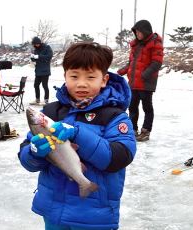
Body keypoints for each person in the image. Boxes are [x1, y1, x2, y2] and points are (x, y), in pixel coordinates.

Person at [18, 42, 137, 229]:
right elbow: (27, 160)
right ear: (65, 76)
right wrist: (33, 152)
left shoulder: (114, 116)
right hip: (53, 211)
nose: (81, 83)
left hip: (94, 216)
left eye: (90, 77)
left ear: (104, 80)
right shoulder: (51, 112)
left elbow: (119, 158)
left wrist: (78, 134)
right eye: (74, 76)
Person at [117, 19, 164, 142]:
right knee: (132, 106)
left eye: (139, 32)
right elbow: (131, 63)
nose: (137, 34)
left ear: (145, 31)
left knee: (147, 107)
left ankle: (146, 131)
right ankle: (133, 129)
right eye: (135, 32)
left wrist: (144, 75)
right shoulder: (136, 45)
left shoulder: (155, 43)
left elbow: (157, 62)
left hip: (146, 83)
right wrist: (121, 71)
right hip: (133, 82)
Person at [30, 36, 53, 105]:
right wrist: (32, 57)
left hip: (45, 70)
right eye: (34, 44)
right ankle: (37, 99)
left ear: (39, 43)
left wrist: (39, 56)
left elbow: (49, 56)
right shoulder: (36, 49)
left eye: (36, 44)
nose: (35, 45)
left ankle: (46, 100)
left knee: (44, 85)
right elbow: (34, 59)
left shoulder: (47, 48)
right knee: (36, 85)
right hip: (38, 70)